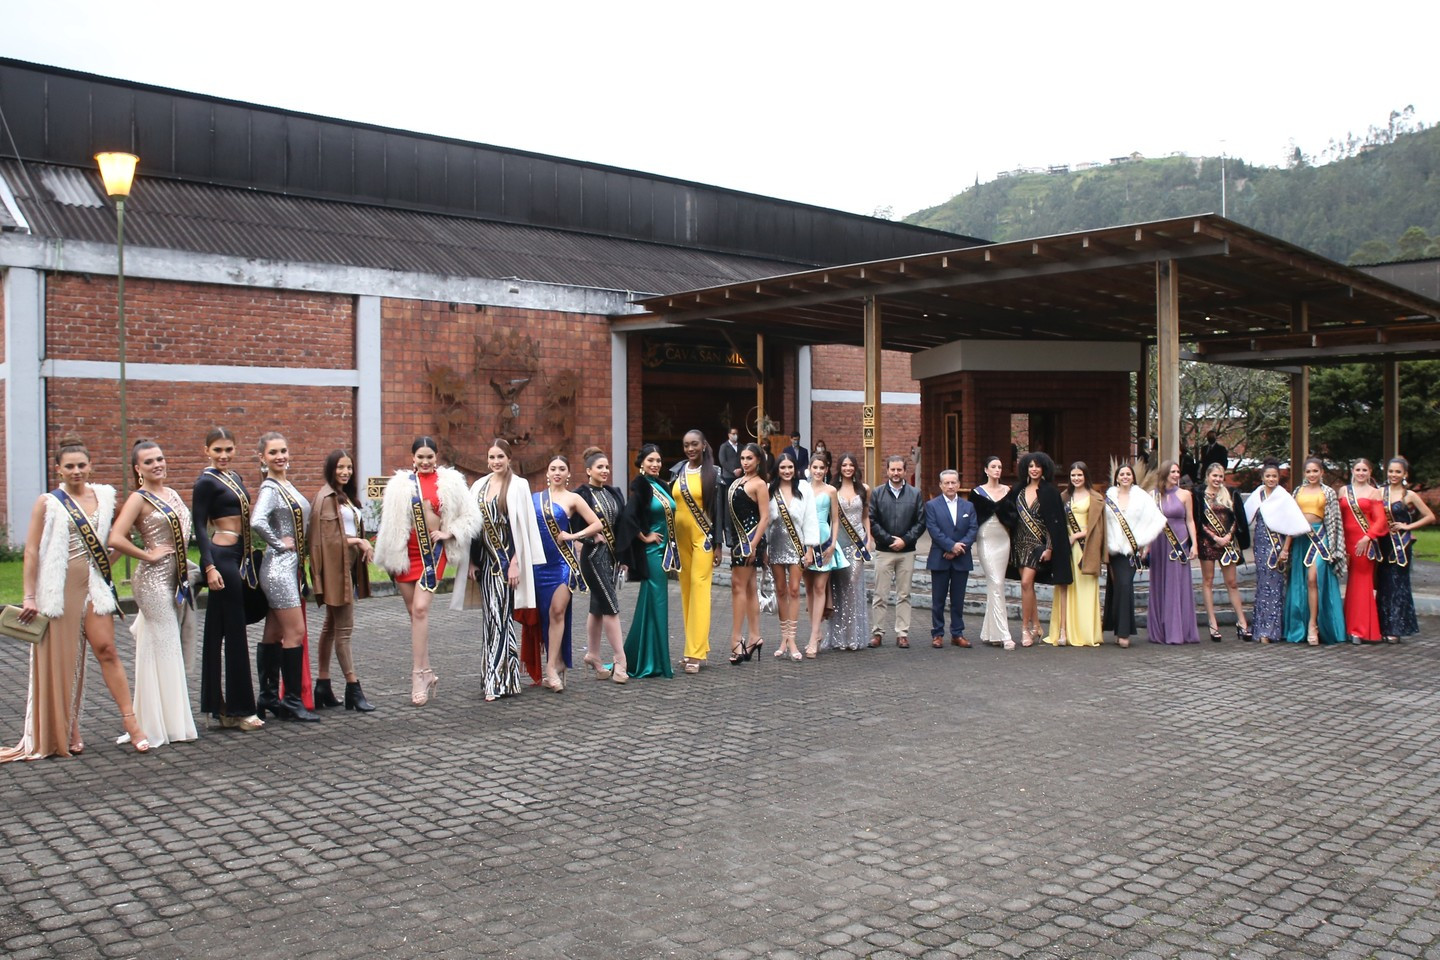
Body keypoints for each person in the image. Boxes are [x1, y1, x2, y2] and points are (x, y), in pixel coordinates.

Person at [4, 436, 146, 761]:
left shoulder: (106, 497)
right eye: (69, 466)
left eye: (81, 465)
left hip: (94, 587)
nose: (76, 471)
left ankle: (132, 722)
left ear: (90, 465)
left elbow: (114, 541)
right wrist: (29, 596)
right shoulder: (48, 502)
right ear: (58, 470)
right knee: (66, 661)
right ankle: (69, 728)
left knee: (107, 650)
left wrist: (107, 569)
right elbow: (30, 550)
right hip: (60, 588)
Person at [107, 439, 198, 748]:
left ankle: (157, 719)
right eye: (149, 462)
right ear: (138, 468)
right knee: (168, 644)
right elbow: (116, 537)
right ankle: (168, 725)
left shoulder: (171, 493)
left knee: (156, 649)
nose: (157, 464)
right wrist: (147, 555)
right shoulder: (138, 498)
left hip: (175, 579)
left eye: (160, 458)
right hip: (152, 581)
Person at [376, 436, 478, 705]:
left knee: (420, 610)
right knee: (414, 614)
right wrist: (386, 555)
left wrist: (450, 532)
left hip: (433, 554)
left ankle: (418, 675)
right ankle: (428, 671)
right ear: (412, 458)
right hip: (405, 555)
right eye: (420, 457)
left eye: (429, 457)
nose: (424, 462)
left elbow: (471, 516)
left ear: (436, 457)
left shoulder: (451, 483)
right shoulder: (399, 485)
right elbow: (388, 523)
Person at [453, 439, 542, 700]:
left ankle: (496, 680)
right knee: (491, 621)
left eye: (500, 456)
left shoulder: (519, 485)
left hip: (507, 565)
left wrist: (516, 562)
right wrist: (469, 560)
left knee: (499, 618)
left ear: (509, 458)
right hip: (486, 564)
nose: (496, 462)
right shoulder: (479, 485)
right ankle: (503, 677)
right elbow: (471, 526)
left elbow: (523, 527)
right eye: (492, 457)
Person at [192, 427, 263, 731]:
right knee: (234, 631)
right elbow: (199, 527)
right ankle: (241, 709)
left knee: (218, 630)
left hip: (239, 555)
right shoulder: (205, 483)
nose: (223, 455)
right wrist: (209, 568)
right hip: (221, 558)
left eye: (228, 449)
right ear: (206, 450)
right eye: (217, 450)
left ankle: (219, 706)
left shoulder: (235, 477)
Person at [251, 432, 319, 722]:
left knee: (275, 632)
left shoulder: (284, 485)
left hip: (287, 566)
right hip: (279, 567)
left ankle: (267, 697)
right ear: (262, 458)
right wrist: (279, 543)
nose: (280, 456)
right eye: (273, 452)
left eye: (283, 450)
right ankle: (291, 700)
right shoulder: (270, 488)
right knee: (296, 632)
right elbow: (257, 520)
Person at [309, 449, 375, 712]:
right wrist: (359, 541)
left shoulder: (343, 497)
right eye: (340, 468)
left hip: (345, 566)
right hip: (336, 569)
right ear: (330, 469)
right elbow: (326, 540)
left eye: (348, 467)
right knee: (344, 630)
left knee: (330, 627)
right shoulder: (326, 498)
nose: (345, 472)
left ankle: (322, 686)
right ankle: (353, 688)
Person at [532, 455, 603, 692]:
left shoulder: (573, 498)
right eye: (553, 468)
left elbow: (597, 524)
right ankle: (558, 662)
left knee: (557, 611)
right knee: (545, 615)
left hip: (563, 564)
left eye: (562, 469)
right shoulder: (535, 499)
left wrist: (573, 537)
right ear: (547, 473)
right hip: (539, 565)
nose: (557, 472)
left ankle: (551, 667)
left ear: (569, 474)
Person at [575, 447, 636, 682]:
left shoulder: (614, 493)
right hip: (592, 557)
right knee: (611, 606)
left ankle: (593, 654)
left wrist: (623, 559)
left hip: (610, 558)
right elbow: (572, 526)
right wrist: (587, 537)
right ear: (588, 470)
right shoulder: (580, 494)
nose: (604, 470)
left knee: (598, 607)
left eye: (607, 467)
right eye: (599, 467)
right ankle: (620, 660)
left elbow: (622, 527)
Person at [669, 430, 723, 674]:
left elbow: (718, 513)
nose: (690, 449)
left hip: (704, 538)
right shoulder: (676, 470)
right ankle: (693, 646)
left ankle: (695, 654)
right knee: (687, 592)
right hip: (679, 540)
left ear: (703, 445)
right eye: (686, 445)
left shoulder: (714, 473)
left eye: (694, 444)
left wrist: (720, 545)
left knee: (700, 589)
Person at [623, 444, 676, 678]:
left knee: (651, 603)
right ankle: (655, 662)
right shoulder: (642, 485)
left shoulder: (661, 485)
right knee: (658, 602)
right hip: (653, 552)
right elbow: (627, 516)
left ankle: (642, 657)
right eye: (651, 460)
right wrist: (645, 536)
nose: (655, 464)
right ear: (642, 462)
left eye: (658, 460)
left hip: (665, 551)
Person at [1102, 462, 1166, 648]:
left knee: (1125, 586)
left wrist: (1144, 542)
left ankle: (1124, 633)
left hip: (1131, 550)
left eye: (1128, 474)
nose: (1125, 477)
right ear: (1116, 477)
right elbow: (1103, 522)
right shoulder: (1109, 496)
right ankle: (1118, 628)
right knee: (1116, 588)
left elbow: (1154, 519)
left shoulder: (1141, 497)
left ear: (1133, 477)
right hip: (1113, 549)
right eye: (1121, 474)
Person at [1244, 460, 1307, 645]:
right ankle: (1261, 628)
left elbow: (1291, 525)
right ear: (1262, 477)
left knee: (1275, 587)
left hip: (1277, 545)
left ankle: (1271, 630)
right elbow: (1246, 515)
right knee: (1263, 586)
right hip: (1260, 544)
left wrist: (1285, 550)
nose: (1271, 479)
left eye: (1274, 476)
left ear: (1279, 478)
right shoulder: (1258, 494)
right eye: (1268, 476)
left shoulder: (1284, 497)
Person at [1284, 457, 1347, 646]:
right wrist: (1286, 547)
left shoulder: (1328, 492)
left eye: (1315, 471)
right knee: (1301, 582)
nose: (1312, 474)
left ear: (1322, 472)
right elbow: (1291, 518)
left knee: (1314, 578)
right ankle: (1301, 625)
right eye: (1308, 471)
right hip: (1301, 539)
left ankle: (1314, 624)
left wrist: (1336, 547)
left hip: (1321, 538)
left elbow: (1335, 522)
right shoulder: (1297, 491)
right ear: (1304, 473)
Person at [1011, 452, 1070, 647]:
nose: (1034, 469)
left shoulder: (1049, 491)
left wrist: (1050, 548)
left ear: (1044, 468)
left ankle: (1025, 629)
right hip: (1019, 544)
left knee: (1026, 583)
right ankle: (1037, 627)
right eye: (1030, 466)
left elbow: (1055, 523)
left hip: (1038, 545)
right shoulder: (1018, 490)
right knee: (1028, 586)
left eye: (1037, 466)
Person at [868, 455, 925, 648]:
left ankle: (902, 633)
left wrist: (905, 540)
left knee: (904, 594)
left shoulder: (915, 494)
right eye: (892, 469)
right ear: (887, 470)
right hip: (884, 551)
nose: (895, 473)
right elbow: (872, 520)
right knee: (880, 594)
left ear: (904, 471)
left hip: (907, 552)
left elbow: (920, 522)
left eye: (899, 470)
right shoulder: (877, 493)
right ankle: (877, 633)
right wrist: (889, 539)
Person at [1376, 457, 1435, 643]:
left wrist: (1408, 527)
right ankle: (1382, 626)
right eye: (1391, 471)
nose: (1393, 475)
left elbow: (1430, 516)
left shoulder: (1409, 495)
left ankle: (1397, 627)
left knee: (1398, 585)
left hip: (1401, 545)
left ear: (1405, 474)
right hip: (1383, 544)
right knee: (1383, 584)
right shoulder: (1379, 492)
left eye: (1398, 472)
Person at [767, 451, 818, 660]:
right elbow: (766, 521)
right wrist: (764, 549)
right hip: (776, 546)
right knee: (780, 591)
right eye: (782, 468)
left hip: (797, 546)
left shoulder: (804, 488)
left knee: (795, 590)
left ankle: (793, 639)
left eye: (790, 467)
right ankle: (783, 638)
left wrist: (810, 548)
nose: (786, 471)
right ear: (777, 470)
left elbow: (810, 519)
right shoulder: (770, 489)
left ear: (795, 469)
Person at [1049, 462, 1104, 647]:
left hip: (1085, 546)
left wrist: (1077, 535)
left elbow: (1098, 526)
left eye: (1079, 475)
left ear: (1085, 476)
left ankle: (1086, 632)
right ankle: (1064, 630)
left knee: (1085, 588)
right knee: (1067, 587)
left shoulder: (1095, 497)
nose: (1076, 478)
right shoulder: (1064, 497)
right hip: (1066, 546)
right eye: (1073, 475)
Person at [1146, 459, 1200, 645]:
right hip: (1159, 543)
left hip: (1179, 543)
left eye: (1178, 472)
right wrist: (1145, 547)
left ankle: (1178, 630)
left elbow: (1190, 521)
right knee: (1160, 583)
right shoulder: (1152, 495)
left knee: (1177, 584)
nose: (1177, 475)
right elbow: (1148, 522)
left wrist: (1194, 545)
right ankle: (1160, 630)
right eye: (1173, 472)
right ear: (1164, 474)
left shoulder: (1185, 494)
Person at [725, 442, 770, 662]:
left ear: (758, 460)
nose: (745, 462)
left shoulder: (760, 484)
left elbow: (765, 517)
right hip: (738, 539)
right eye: (742, 458)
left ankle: (736, 640)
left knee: (737, 587)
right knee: (750, 588)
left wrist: (753, 544)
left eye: (749, 458)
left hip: (749, 540)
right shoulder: (738, 482)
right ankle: (754, 637)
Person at [1197, 462, 1252, 642]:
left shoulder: (1230, 493)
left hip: (1228, 543)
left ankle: (1242, 622)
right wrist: (1215, 538)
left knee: (1232, 582)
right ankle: (1213, 623)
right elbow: (1199, 521)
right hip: (1208, 542)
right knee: (1208, 581)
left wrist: (1228, 536)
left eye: (1221, 476)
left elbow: (1237, 517)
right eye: (1215, 476)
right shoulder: (1199, 494)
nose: (1218, 479)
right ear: (1208, 476)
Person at [924, 469, 977, 648]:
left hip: (961, 559)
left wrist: (957, 549)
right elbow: (933, 530)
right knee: (938, 599)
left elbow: (973, 530)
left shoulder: (968, 506)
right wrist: (950, 546)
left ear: (958, 484)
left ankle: (957, 633)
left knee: (958, 599)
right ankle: (937, 634)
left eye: (953, 482)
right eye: (946, 483)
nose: (950, 486)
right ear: (940, 485)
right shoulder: (932, 505)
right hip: (940, 558)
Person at [803, 454, 848, 658]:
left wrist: (832, 543)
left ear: (827, 469)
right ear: (810, 468)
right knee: (810, 589)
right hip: (806, 541)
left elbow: (836, 520)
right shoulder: (802, 489)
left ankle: (814, 636)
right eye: (815, 467)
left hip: (825, 540)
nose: (818, 471)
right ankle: (817, 632)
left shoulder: (831, 490)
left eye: (822, 468)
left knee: (820, 587)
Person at [827, 453, 873, 652]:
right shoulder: (832, 489)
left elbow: (865, 516)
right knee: (837, 588)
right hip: (838, 543)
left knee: (852, 587)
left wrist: (869, 538)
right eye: (844, 465)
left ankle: (853, 636)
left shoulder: (864, 489)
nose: (847, 468)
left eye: (851, 465)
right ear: (839, 467)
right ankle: (838, 637)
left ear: (855, 467)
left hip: (857, 544)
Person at [1340, 458, 1389, 644]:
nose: (1361, 473)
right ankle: (1348, 626)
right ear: (1352, 470)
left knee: (1361, 583)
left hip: (1364, 543)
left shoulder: (1375, 493)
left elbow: (1380, 521)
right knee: (1351, 583)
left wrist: (1367, 537)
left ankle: (1359, 630)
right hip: (1346, 543)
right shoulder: (1344, 491)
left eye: (1364, 470)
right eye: (1358, 469)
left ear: (1370, 472)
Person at [970, 455, 1013, 649]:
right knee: (995, 582)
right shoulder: (977, 493)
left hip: (1003, 539)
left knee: (997, 584)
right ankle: (1005, 634)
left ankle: (991, 632)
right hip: (986, 538)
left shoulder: (1008, 491)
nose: (997, 470)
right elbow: (973, 518)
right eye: (993, 466)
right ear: (986, 470)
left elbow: (1013, 517)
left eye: (1000, 467)